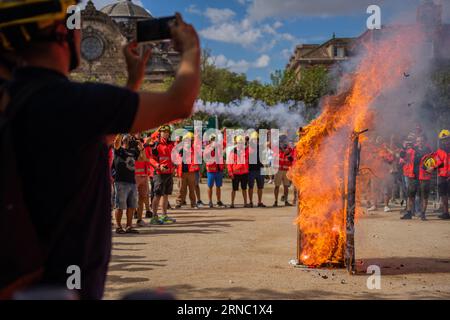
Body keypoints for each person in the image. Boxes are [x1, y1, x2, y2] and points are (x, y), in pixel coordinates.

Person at [0, 0, 200, 299]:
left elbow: (98, 141)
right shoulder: (73, 100)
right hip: (62, 285)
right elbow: (179, 103)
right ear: (61, 30)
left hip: (21, 279)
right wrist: (191, 49)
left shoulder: (13, 99)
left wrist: (132, 83)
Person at [113, 134, 141, 234]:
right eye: (126, 139)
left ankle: (129, 226)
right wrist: (120, 134)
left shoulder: (133, 151)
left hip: (132, 181)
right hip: (121, 181)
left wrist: (141, 147)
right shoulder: (119, 150)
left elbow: (141, 157)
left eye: (129, 139)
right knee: (120, 205)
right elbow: (116, 143)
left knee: (131, 205)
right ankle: (118, 226)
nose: (128, 140)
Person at [400, 136, 433, 220]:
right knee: (410, 196)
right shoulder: (412, 150)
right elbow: (402, 156)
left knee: (424, 196)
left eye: (421, 141)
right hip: (413, 176)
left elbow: (432, 164)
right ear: (416, 142)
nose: (420, 142)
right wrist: (404, 147)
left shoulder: (429, 151)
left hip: (424, 177)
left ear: (425, 142)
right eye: (418, 141)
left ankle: (422, 214)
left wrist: (430, 168)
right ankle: (409, 213)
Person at [149, 125, 177, 224]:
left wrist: (175, 167)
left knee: (165, 195)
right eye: (163, 131)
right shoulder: (156, 144)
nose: (165, 133)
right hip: (159, 173)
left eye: (167, 132)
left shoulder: (171, 144)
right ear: (160, 132)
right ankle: (154, 217)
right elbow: (150, 158)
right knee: (157, 195)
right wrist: (158, 165)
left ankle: (164, 215)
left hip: (169, 173)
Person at [175, 132, 200, 209]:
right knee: (181, 189)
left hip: (191, 172)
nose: (190, 142)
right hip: (182, 172)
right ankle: (179, 203)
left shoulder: (194, 149)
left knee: (192, 189)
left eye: (191, 140)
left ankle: (193, 203)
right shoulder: (180, 149)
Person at [430, 130, 450, 220]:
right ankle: (446, 213)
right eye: (442, 140)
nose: (444, 141)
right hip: (442, 177)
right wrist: (431, 168)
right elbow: (438, 163)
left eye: (446, 139)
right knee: (444, 196)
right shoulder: (439, 152)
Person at [228, 135, 250, 208]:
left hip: (244, 173)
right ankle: (232, 203)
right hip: (235, 173)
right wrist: (230, 172)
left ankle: (245, 203)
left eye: (242, 142)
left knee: (244, 189)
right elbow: (229, 163)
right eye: (239, 142)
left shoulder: (246, 150)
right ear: (236, 142)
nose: (240, 144)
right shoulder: (233, 151)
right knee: (234, 189)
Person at [204, 135, 226, 208]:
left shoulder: (219, 147)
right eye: (212, 139)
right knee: (210, 186)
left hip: (219, 169)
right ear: (210, 141)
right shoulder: (207, 148)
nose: (214, 141)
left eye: (215, 139)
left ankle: (218, 201)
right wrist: (212, 149)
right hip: (211, 170)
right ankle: (210, 201)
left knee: (218, 186)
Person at [273, 136, 294, 207]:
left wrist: (281, 148)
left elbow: (287, 153)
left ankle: (286, 201)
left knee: (286, 187)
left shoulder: (289, 149)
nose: (283, 142)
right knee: (277, 186)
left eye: (284, 141)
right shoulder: (276, 149)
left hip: (286, 171)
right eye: (282, 141)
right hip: (278, 170)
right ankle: (275, 202)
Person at [135, 137, 151, 227]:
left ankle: (139, 219)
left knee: (142, 198)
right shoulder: (132, 151)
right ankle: (134, 215)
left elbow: (144, 158)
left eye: (140, 143)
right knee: (134, 199)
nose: (139, 144)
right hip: (135, 177)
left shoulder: (143, 149)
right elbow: (139, 159)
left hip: (144, 176)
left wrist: (142, 148)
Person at [247, 131, 266, 208]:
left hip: (260, 169)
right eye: (254, 139)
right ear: (251, 140)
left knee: (260, 187)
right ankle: (251, 202)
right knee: (250, 187)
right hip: (251, 170)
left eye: (257, 139)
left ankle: (259, 202)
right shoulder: (248, 148)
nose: (255, 140)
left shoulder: (261, 147)